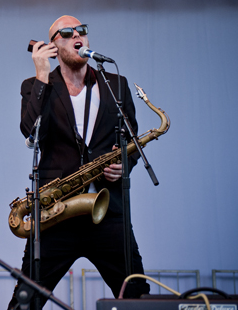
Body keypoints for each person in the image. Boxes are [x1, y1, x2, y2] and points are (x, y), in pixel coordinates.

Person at [9, 15, 150, 309]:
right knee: (26, 301)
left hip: (109, 211)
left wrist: (124, 165)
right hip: (56, 212)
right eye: (66, 32)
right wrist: (42, 75)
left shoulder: (116, 84)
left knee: (137, 297)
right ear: (53, 46)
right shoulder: (35, 85)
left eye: (81, 30)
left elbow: (132, 141)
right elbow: (30, 130)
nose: (77, 35)